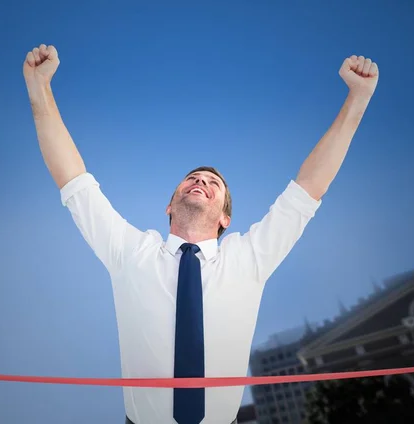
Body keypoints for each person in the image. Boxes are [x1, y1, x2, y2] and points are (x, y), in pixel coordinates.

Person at [23, 44, 378, 424]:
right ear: (169, 206)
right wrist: (38, 87)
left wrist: (358, 97)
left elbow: (310, 185)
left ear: (225, 218)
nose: (200, 182)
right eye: (192, 179)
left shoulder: (249, 258)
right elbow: (73, 179)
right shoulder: (130, 252)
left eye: (213, 183)